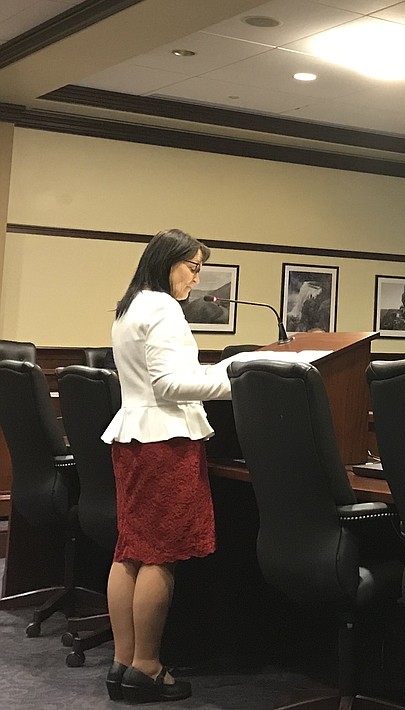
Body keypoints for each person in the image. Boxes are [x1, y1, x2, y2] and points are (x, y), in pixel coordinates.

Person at [100, 229, 233, 703]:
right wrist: (239, 381)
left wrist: (218, 374)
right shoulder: (163, 308)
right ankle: (149, 667)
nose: (195, 281)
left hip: (133, 437)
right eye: (193, 267)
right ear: (168, 261)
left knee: (130, 550)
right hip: (165, 442)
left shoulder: (130, 306)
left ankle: (122, 663)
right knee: (160, 555)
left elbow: (160, 379)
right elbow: (173, 386)